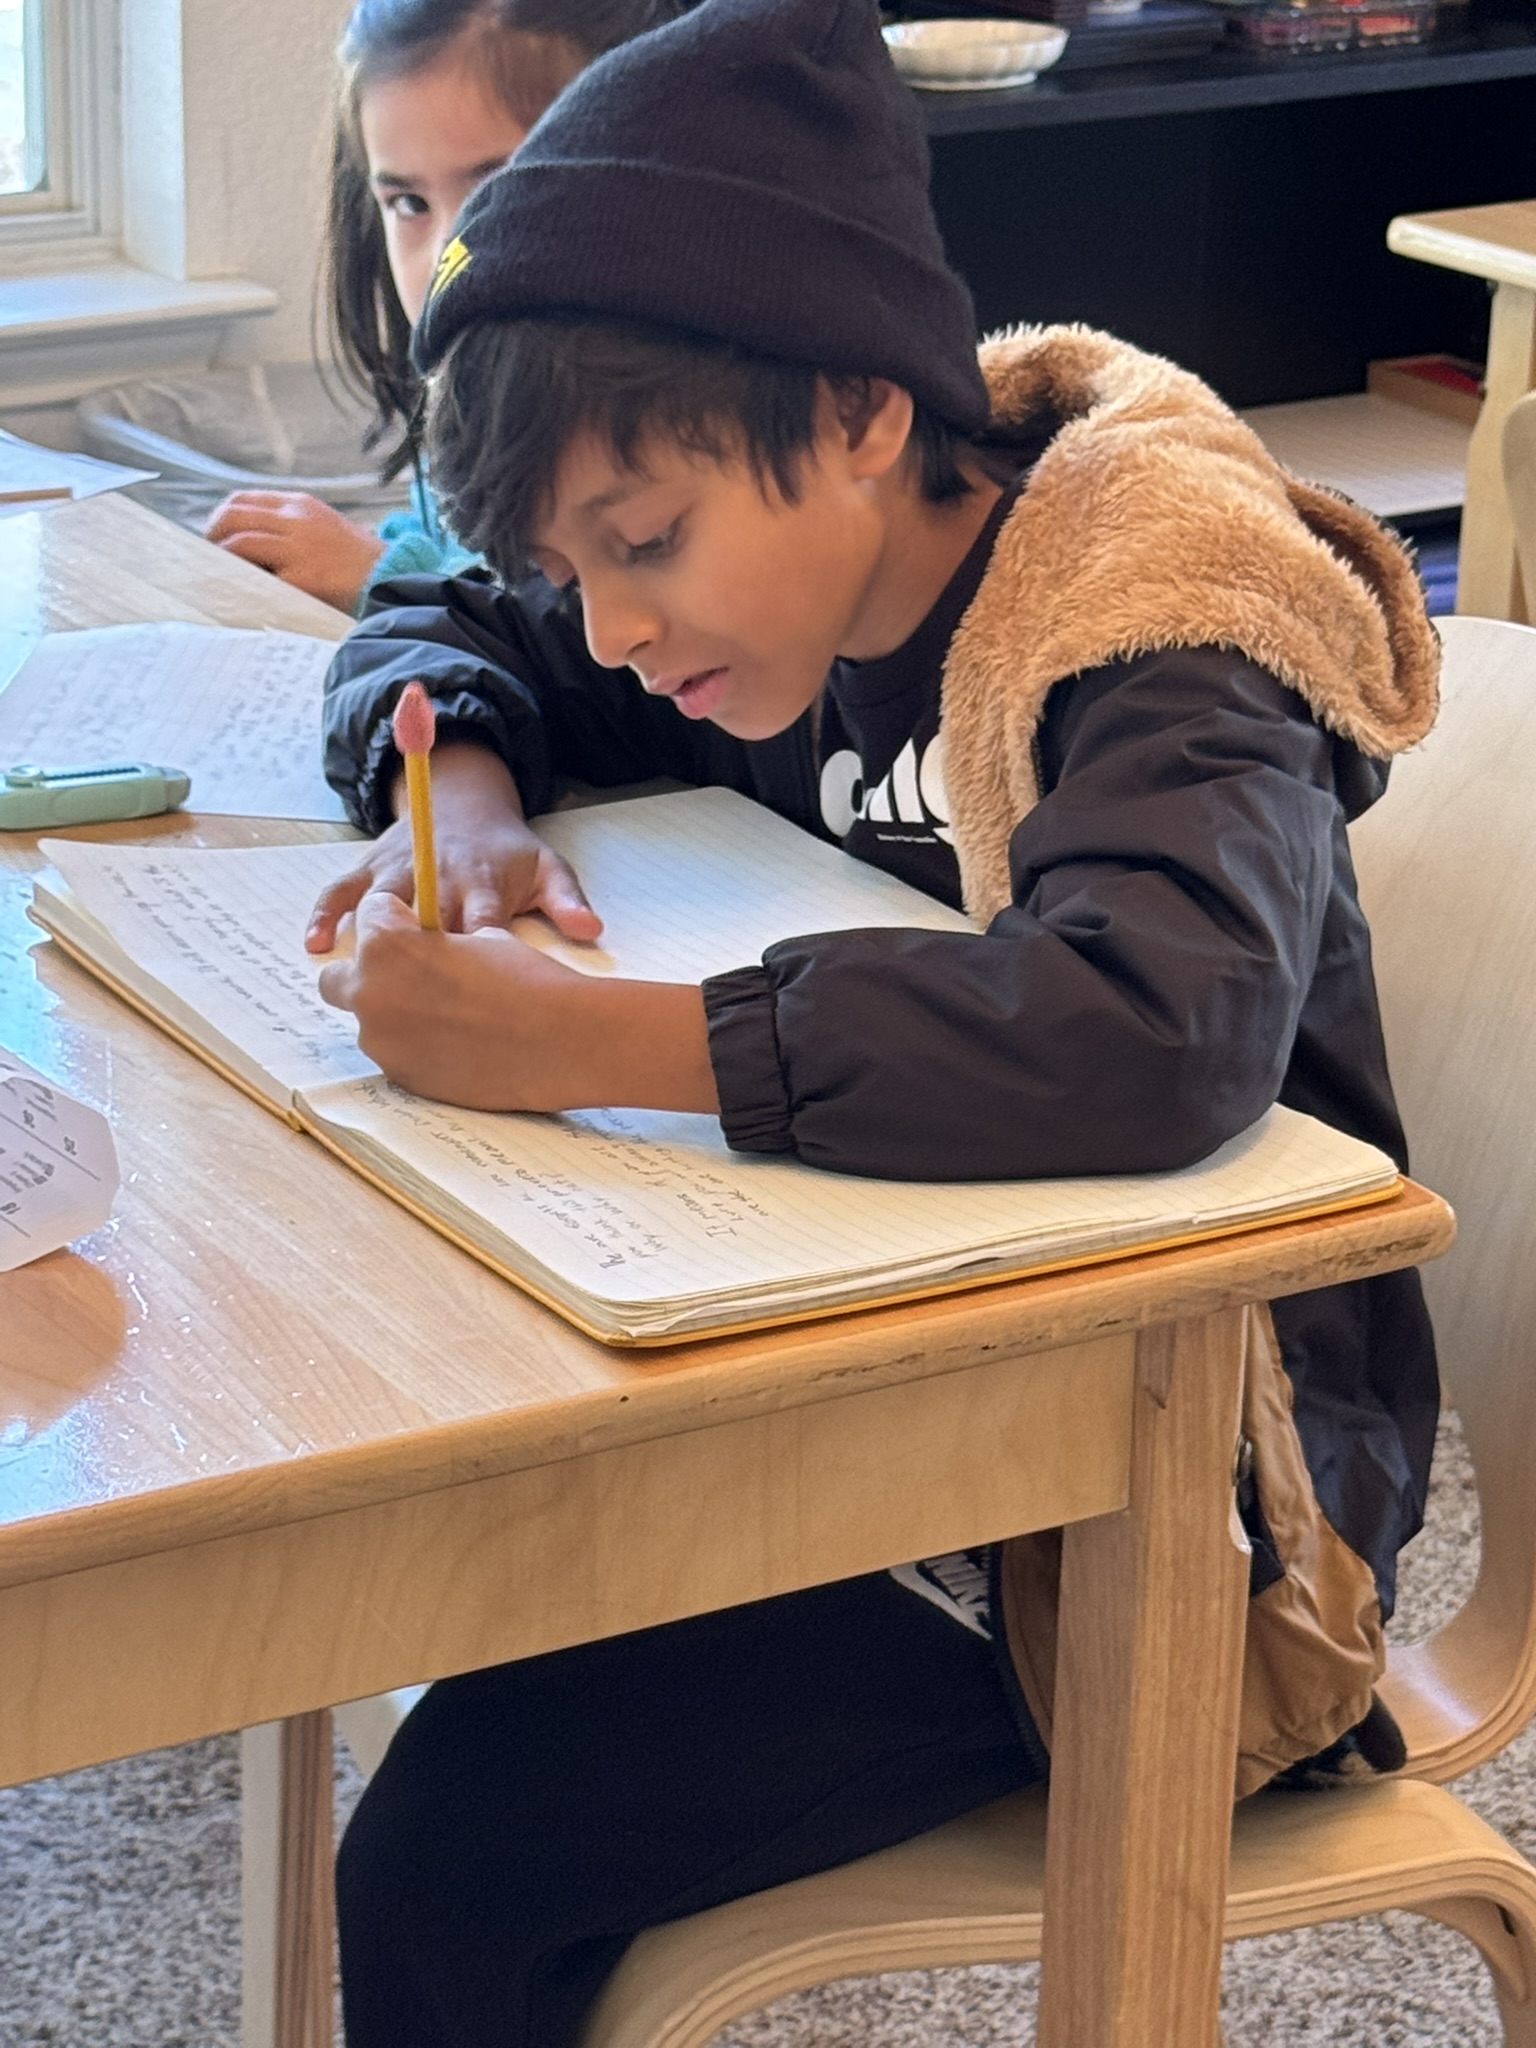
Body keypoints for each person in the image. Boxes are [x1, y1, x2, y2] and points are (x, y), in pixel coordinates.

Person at [313, 0, 1443, 2040]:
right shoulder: (756, 590)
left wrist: (577, 1041)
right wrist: (463, 791)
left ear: (855, 412)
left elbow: (1157, 1016)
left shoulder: (1156, 603)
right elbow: (449, 615)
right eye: (575, 567)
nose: (615, 630)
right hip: (877, 1376)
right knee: (420, 1542)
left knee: (447, 1858)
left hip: (1176, 1495)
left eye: (641, 546)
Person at [203, 0, 680, 615]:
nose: (446, 258)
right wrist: (362, 554)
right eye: (409, 203)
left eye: (498, 190)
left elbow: (592, 637)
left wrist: (385, 579)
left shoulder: (667, 413)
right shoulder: (468, 382)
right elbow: (455, 543)